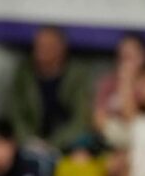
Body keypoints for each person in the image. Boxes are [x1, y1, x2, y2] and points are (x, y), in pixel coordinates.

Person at [7, 25, 93, 154]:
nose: (41, 50)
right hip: (29, 144)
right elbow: (14, 113)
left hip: (67, 145)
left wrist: (53, 144)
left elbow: (81, 119)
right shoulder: (24, 73)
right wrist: (29, 141)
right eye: (38, 45)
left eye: (48, 46)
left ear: (62, 48)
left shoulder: (78, 76)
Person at [93, 32, 145, 150]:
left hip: (139, 144)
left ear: (144, 57)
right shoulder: (108, 82)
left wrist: (126, 85)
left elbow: (134, 122)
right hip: (108, 142)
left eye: (130, 56)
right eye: (122, 57)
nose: (125, 62)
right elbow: (98, 120)